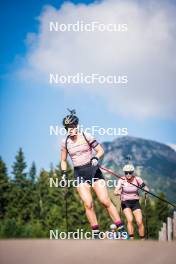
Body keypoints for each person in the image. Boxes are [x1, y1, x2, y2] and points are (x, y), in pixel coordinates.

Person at [60, 109, 127, 238]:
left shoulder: (87, 136)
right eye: (68, 127)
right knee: (88, 203)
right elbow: (63, 160)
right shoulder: (65, 143)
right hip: (79, 173)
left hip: (93, 171)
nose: (70, 129)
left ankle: (121, 228)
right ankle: (96, 233)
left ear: (77, 126)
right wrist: (63, 174)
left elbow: (100, 150)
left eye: (72, 126)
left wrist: (96, 158)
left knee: (104, 201)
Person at [114, 163, 149, 240]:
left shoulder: (137, 179)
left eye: (130, 172)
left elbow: (145, 187)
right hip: (125, 203)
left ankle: (142, 239)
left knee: (139, 221)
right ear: (124, 173)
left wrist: (146, 190)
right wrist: (118, 192)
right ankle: (131, 239)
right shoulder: (122, 180)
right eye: (126, 173)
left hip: (135, 202)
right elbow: (115, 191)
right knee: (130, 220)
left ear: (133, 172)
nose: (128, 174)